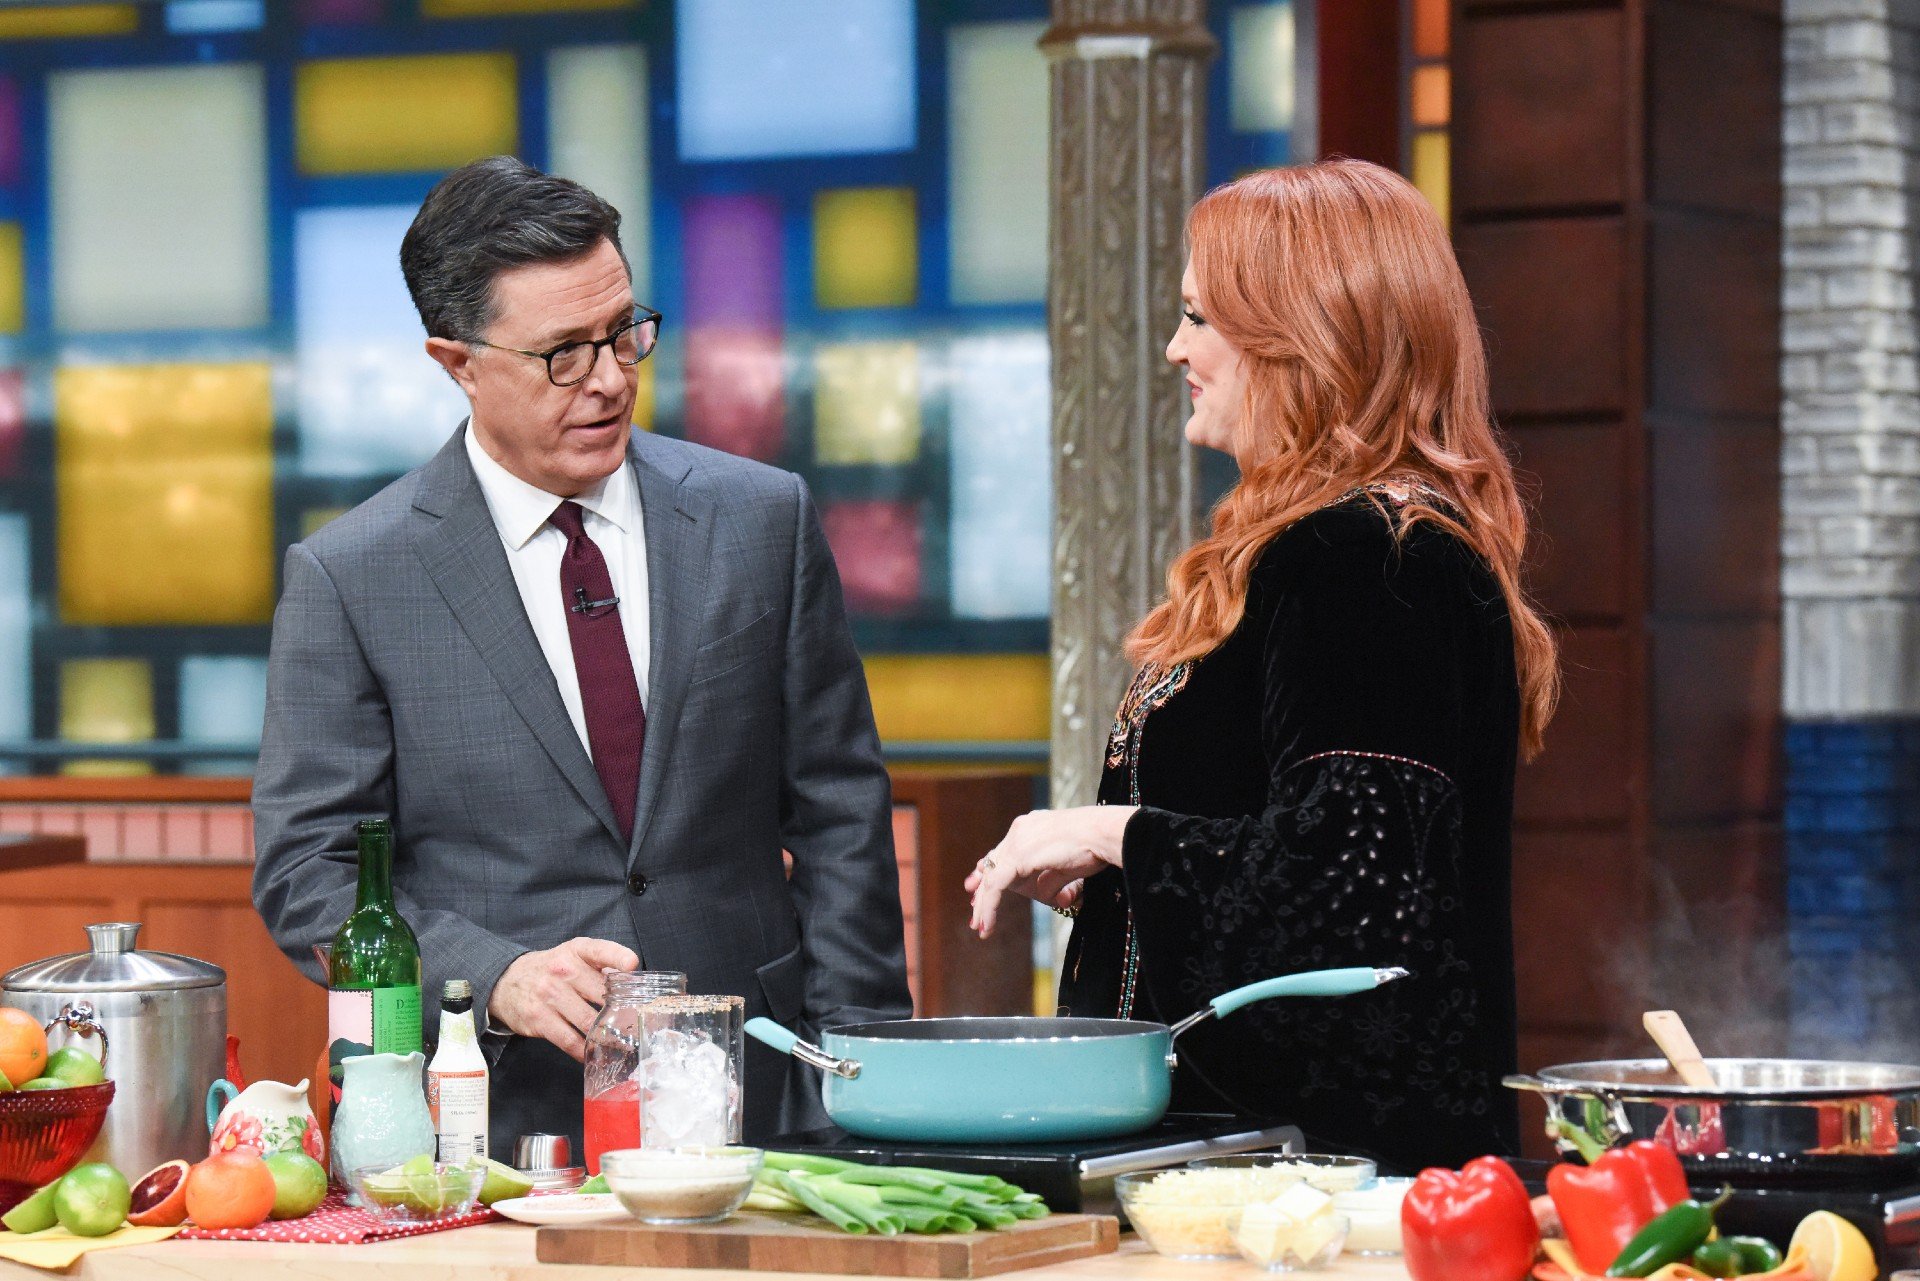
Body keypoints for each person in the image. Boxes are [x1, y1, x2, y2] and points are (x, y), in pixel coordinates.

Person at [252, 156, 911, 1155]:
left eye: (623, 333)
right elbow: (311, 871)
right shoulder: (353, 577)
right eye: (562, 353)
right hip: (502, 1115)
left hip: (762, 1091)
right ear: (456, 361)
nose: (608, 379)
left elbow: (841, 813)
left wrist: (867, 1079)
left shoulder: (758, 520)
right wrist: (497, 977)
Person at [965, 160, 1559, 1172]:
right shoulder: (1332, 550)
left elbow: (1353, 897)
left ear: (1306, 338)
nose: (1175, 348)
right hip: (1256, 1172)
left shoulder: (1372, 558)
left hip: (1319, 1188)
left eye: (1201, 319)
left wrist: (1115, 834)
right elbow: (1301, 850)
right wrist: (1114, 878)